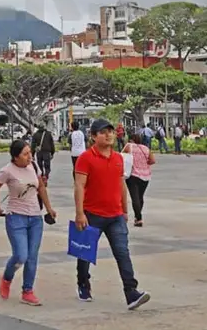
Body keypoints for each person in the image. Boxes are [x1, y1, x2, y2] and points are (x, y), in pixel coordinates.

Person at [74, 118, 150, 310]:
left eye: (110, 131)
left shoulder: (118, 158)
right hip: (92, 214)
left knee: (122, 253)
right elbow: (79, 186)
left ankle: (131, 292)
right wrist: (80, 213)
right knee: (84, 253)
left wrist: (125, 210)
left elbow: (121, 185)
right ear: (93, 137)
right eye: (102, 132)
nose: (108, 135)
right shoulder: (85, 158)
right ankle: (83, 282)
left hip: (115, 216)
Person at [0, 140, 57, 305]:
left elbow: (41, 187)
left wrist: (49, 208)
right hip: (16, 217)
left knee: (32, 257)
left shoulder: (33, 166)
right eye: (25, 154)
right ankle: (6, 278)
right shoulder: (7, 171)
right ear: (15, 156)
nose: (30, 157)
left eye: (30, 153)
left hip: (35, 218)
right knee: (21, 255)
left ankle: (27, 291)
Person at [122, 133, 155, 227]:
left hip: (133, 175)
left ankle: (139, 218)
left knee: (135, 197)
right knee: (140, 197)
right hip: (145, 176)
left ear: (131, 139)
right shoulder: (145, 148)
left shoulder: (129, 146)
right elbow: (152, 161)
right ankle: (138, 217)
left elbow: (121, 156)